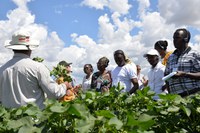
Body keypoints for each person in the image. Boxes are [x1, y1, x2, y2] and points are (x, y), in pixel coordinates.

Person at [0, 31, 68, 109]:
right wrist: (64, 86)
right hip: (33, 119)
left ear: (12, 48)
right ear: (30, 48)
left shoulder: (2, 69)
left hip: (9, 119)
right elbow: (54, 93)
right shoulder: (37, 67)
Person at [164, 28, 200, 97]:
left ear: (185, 39)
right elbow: (166, 78)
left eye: (177, 38)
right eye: (173, 38)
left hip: (193, 95)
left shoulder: (195, 54)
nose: (174, 40)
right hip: (176, 99)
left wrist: (185, 74)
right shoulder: (171, 57)